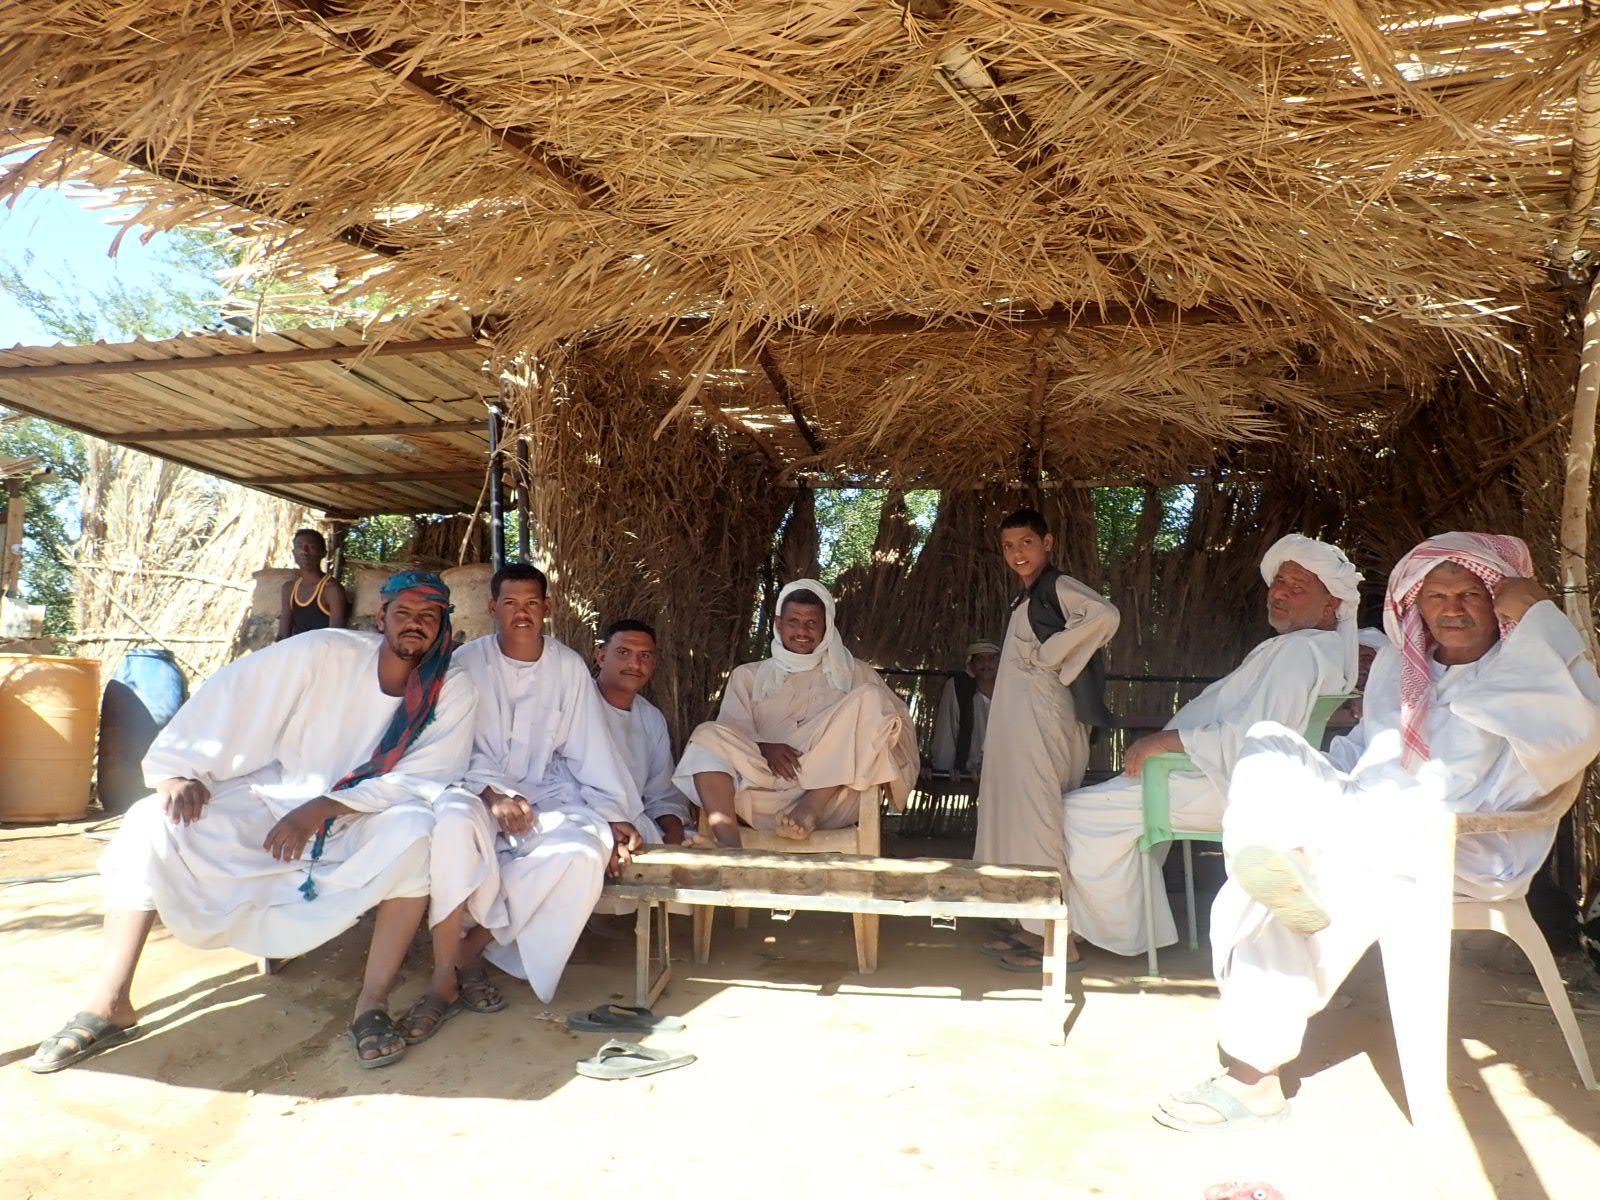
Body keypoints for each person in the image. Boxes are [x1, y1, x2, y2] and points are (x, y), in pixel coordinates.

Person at [1157, 532, 1600, 1132]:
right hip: (1371, 819)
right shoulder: (1402, 667)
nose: (1452, 607)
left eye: (1472, 592)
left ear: (1501, 603)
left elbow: (1580, 728)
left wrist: (1536, 611)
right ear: (1415, 606)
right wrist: (1316, 789)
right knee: (1268, 745)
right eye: (1436, 595)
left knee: (1333, 881)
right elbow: (1362, 752)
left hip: (1459, 846)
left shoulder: (1528, 670)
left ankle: (1253, 1079)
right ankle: (1281, 862)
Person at [29, 572, 476, 1073]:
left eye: (428, 617)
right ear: (381, 618)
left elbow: (427, 775)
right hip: (279, 798)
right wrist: (180, 769)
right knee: (150, 823)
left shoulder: (451, 686)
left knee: (416, 834)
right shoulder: (325, 651)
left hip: (364, 814)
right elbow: (236, 692)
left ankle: (370, 1003)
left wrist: (321, 808)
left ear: (443, 628)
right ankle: (109, 1000)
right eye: (405, 614)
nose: (415, 625)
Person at [1055, 534, 1362, 962]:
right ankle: (1127, 928)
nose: (1279, 593)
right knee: (1101, 809)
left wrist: (1163, 741)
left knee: (1074, 813)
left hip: (1221, 786)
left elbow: (1253, 739)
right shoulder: (1306, 648)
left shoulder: (1301, 654)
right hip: (1204, 774)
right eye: (1278, 582)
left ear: (1331, 606)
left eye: (1297, 586)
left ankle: (1114, 935)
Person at [409, 563, 653, 1038]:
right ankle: (448, 972)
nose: (522, 613)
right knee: (455, 824)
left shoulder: (567, 667)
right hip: (474, 787)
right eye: (511, 603)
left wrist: (613, 813)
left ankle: (473, 946)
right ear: (492, 608)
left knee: (585, 847)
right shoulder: (466, 664)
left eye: (532, 603)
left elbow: (588, 745)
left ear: (548, 608)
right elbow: (448, 745)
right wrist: (491, 792)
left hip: (545, 789)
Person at [974, 508, 1120, 965]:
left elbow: (1104, 615)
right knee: (1020, 820)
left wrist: (1051, 653)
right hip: (1021, 728)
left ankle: (1060, 942)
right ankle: (1028, 924)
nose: (1018, 553)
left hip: (1045, 723)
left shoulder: (1058, 585)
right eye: (1009, 546)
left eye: (1027, 543)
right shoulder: (1028, 599)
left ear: (1048, 543)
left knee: (1040, 823)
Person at [673, 578, 919, 847]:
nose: (802, 630)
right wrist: (765, 748)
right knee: (707, 734)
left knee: (874, 699)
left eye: (812, 622)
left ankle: (809, 807)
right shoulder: (747, 676)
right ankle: (731, 847)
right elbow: (731, 738)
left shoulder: (855, 674)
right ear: (778, 624)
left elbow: (896, 729)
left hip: (832, 799)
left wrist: (834, 751)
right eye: (794, 622)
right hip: (762, 788)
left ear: (826, 627)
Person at [593, 618, 693, 845]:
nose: (635, 664)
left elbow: (662, 794)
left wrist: (674, 834)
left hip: (635, 827)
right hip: (585, 822)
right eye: (623, 652)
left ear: (654, 664)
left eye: (645, 656)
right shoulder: (577, 704)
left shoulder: (651, 718)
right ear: (601, 657)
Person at [926, 640, 1000, 785]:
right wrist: (946, 769)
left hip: (1004, 767)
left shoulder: (1010, 688)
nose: (986, 664)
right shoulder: (958, 687)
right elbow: (947, 728)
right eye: (980, 658)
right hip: (967, 767)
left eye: (991, 658)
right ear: (971, 664)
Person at [277, 527, 349, 640]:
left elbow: (335, 636)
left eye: (311, 547)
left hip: (321, 652)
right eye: (299, 546)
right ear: (293, 553)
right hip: (295, 650)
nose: (304, 551)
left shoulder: (332, 589)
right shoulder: (289, 588)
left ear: (323, 553)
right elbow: (283, 634)